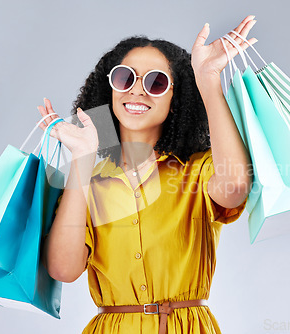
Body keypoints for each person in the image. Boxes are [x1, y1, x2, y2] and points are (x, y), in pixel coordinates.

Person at [37, 15, 256, 334]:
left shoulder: (197, 170)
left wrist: (208, 80)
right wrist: (82, 160)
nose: (137, 92)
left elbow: (235, 186)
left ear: (176, 97)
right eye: (125, 78)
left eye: (156, 82)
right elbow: (63, 269)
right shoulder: (88, 184)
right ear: (109, 90)